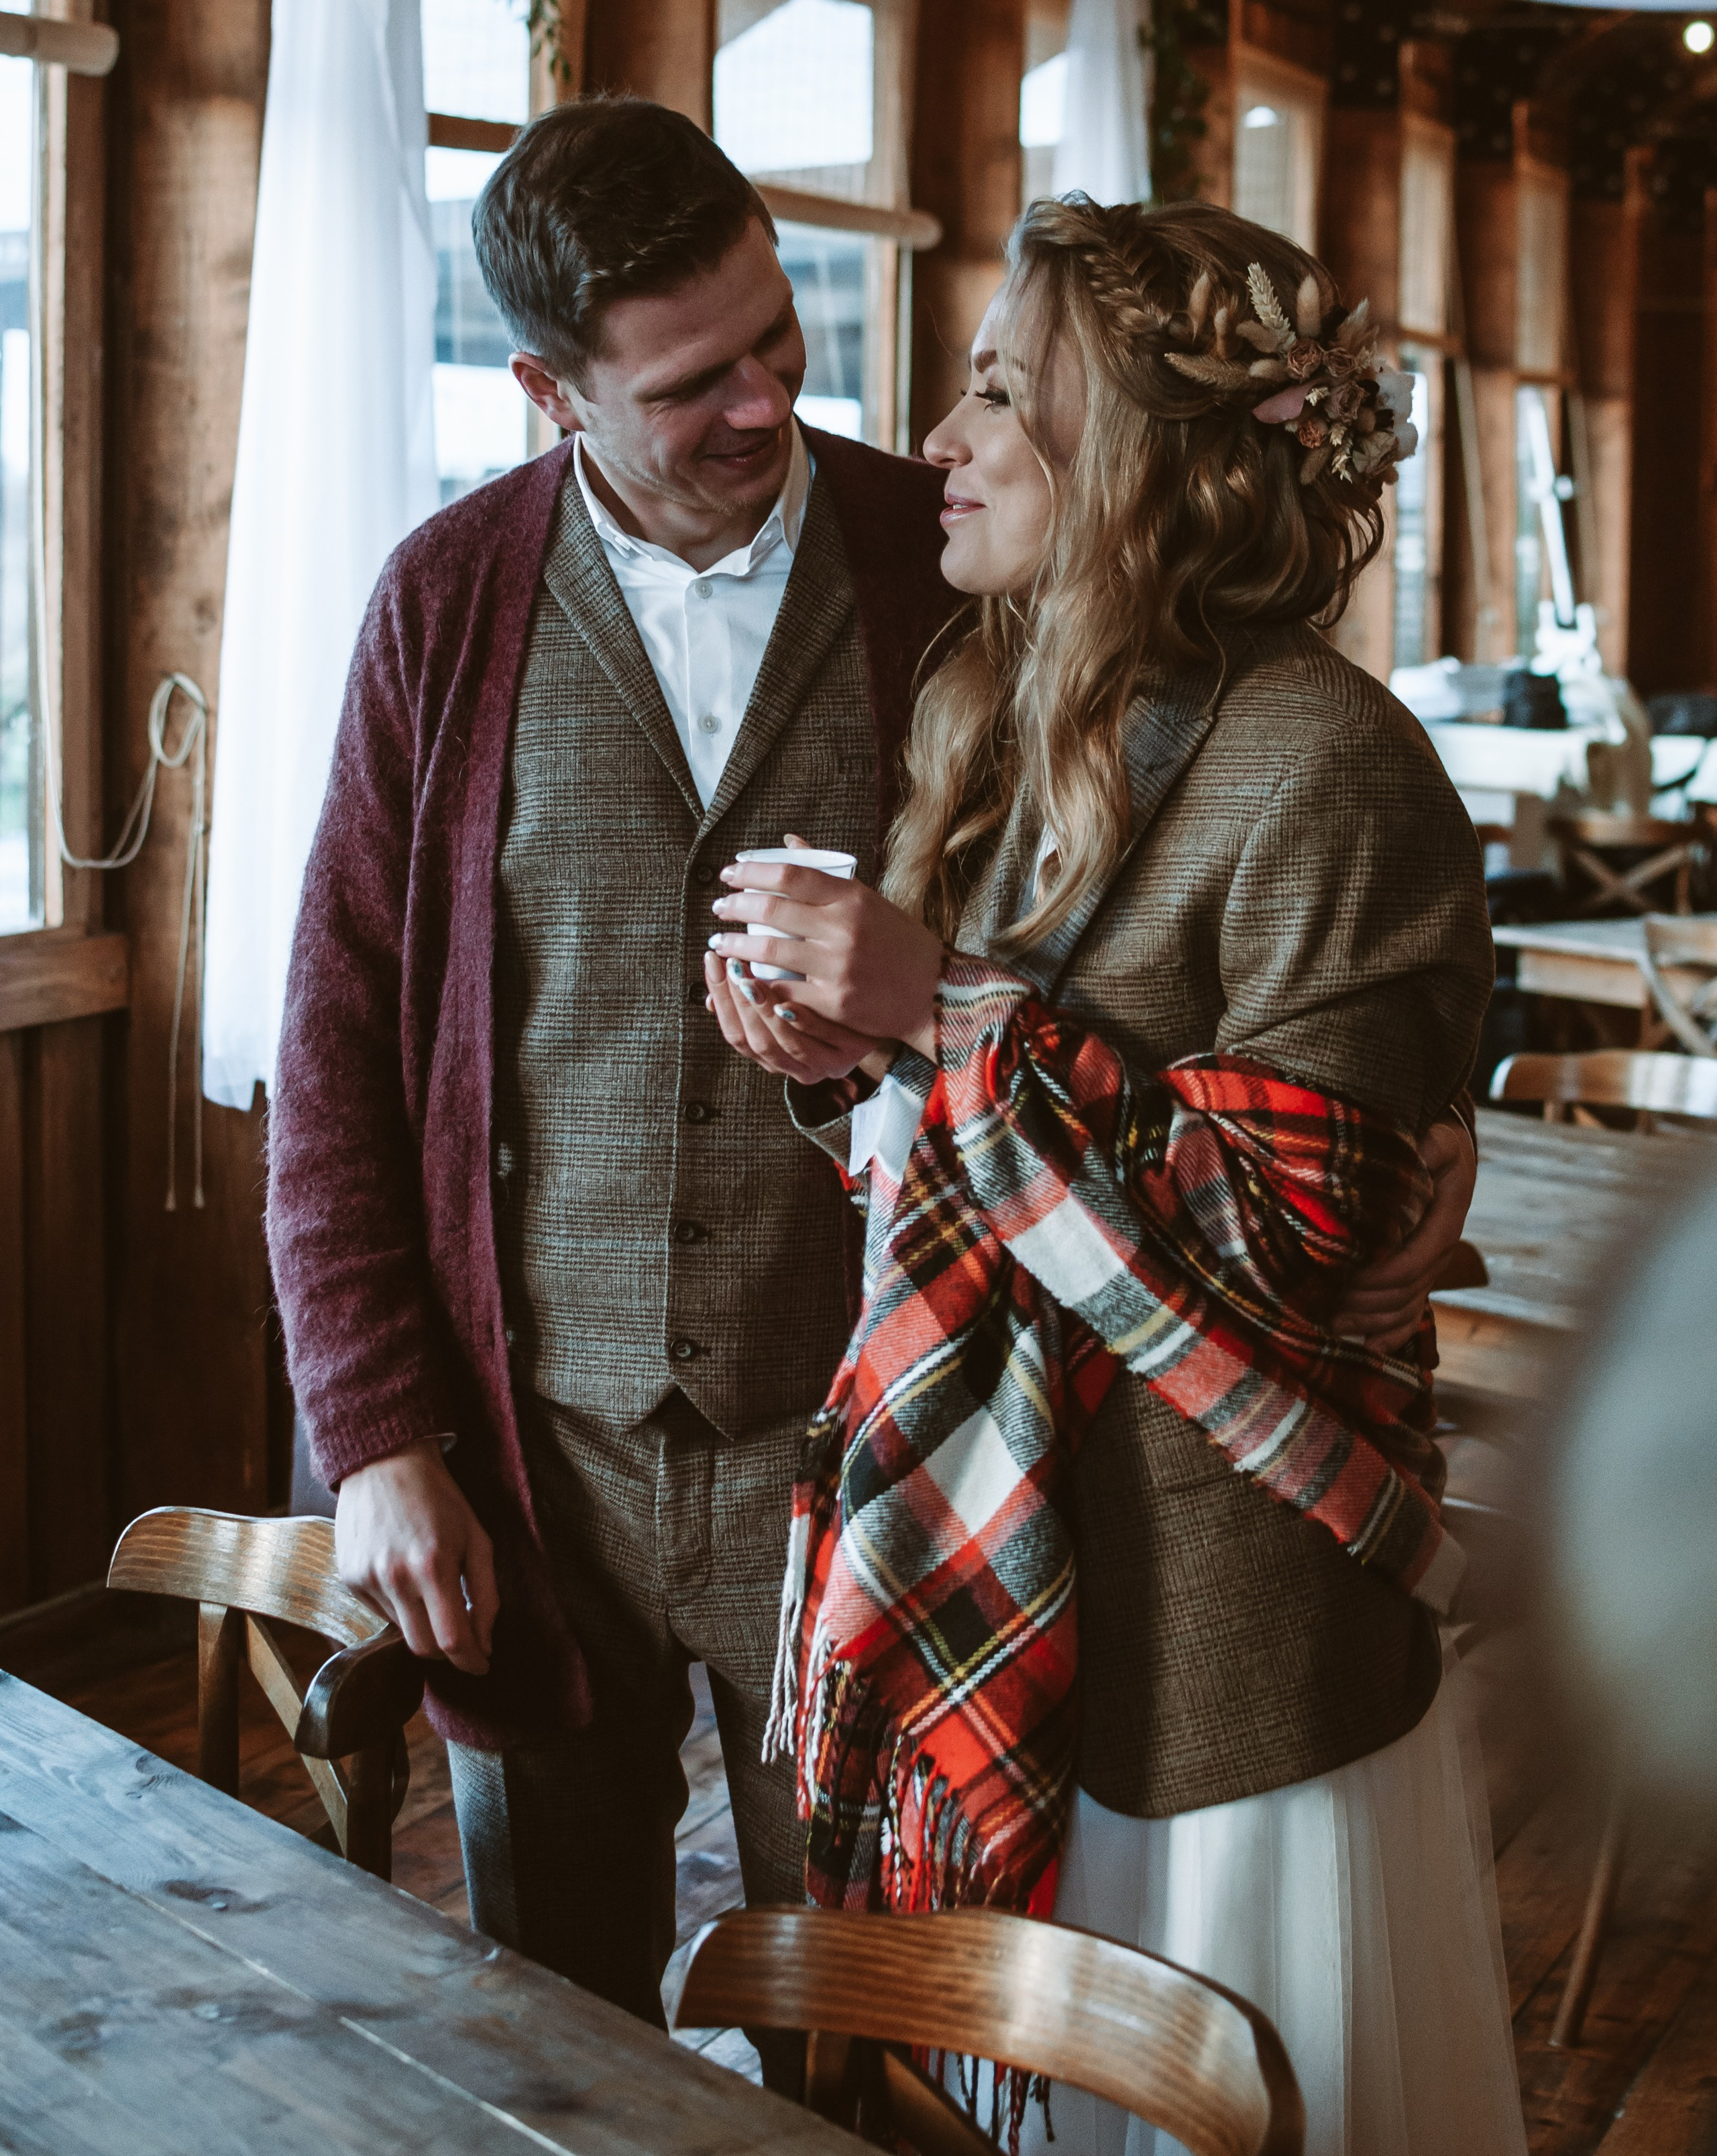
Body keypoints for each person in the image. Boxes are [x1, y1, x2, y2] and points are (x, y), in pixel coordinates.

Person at [267, 109, 1474, 2059]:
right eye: (690, 383)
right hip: (533, 1457)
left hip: (890, 1460)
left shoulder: (965, 586)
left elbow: (1167, 913)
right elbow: (332, 1050)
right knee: (538, 2022)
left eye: (777, 340)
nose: (766, 403)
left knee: (882, 2032)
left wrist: (1416, 1119)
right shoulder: (443, 604)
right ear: (547, 392)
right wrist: (384, 1428)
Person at [705, 196, 1523, 2153]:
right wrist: (844, 1056)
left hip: (1228, 1643)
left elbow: (1299, 1223)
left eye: (999, 391)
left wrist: (939, 1002)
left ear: (1139, 455)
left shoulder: (1334, 762)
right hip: (994, 1572)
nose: (940, 440)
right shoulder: (988, 721)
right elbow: (965, 1156)